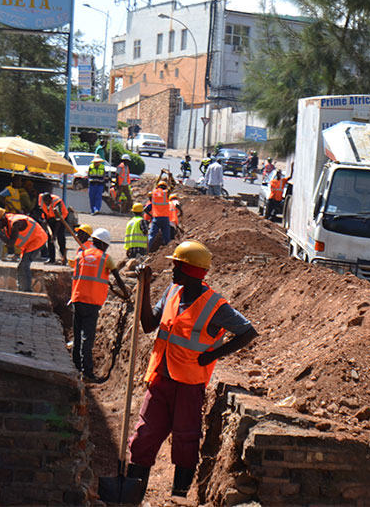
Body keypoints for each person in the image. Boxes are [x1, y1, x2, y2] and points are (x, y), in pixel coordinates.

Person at [126, 241, 257, 500]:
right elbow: (149, 324)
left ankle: (179, 497)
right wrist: (145, 288)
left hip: (189, 385)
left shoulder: (215, 306)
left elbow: (247, 332)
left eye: (178, 266)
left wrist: (212, 355)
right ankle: (131, 496)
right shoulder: (172, 292)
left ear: (192, 271)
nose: (173, 271)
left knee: (186, 443)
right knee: (144, 437)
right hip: (161, 379)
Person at [70, 227, 128, 383]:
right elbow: (118, 280)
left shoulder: (81, 254)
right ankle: (87, 372)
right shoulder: (105, 258)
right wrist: (127, 295)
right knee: (87, 339)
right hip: (92, 303)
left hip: (77, 298)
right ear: (103, 244)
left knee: (77, 336)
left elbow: (77, 276)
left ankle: (74, 368)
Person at [0, 208, 48, 292]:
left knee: (24, 265)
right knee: (21, 266)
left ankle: (27, 290)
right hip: (29, 244)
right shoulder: (6, 224)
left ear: (2, 219)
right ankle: (21, 288)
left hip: (38, 240)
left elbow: (11, 243)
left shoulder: (16, 223)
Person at [38, 191, 68, 265]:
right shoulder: (42, 200)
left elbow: (58, 221)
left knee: (60, 237)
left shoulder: (57, 203)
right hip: (50, 218)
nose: (46, 203)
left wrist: (55, 234)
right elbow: (43, 211)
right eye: (45, 201)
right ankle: (51, 259)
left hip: (61, 219)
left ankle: (63, 258)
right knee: (49, 238)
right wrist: (45, 219)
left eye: (48, 201)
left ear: (50, 199)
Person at [148, 180, 172, 252]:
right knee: (166, 237)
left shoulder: (154, 193)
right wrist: (170, 177)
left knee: (151, 236)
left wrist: (160, 176)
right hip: (165, 218)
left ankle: (147, 250)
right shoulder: (166, 193)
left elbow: (155, 184)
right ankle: (169, 250)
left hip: (156, 218)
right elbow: (172, 186)